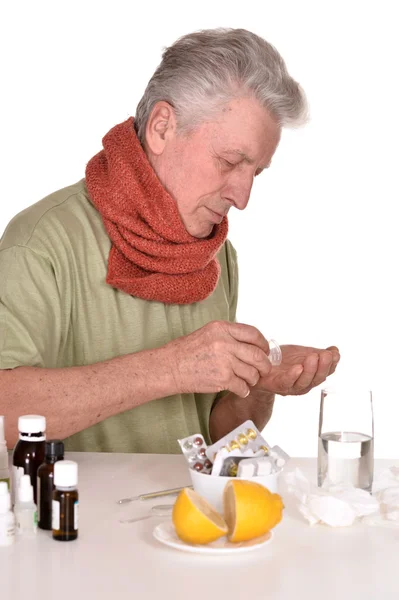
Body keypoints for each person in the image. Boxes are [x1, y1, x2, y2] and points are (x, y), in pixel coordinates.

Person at [0, 28, 340, 453]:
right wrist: (173, 367)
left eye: (256, 172)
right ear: (162, 127)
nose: (243, 196)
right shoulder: (41, 243)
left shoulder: (217, 255)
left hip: (189, 517)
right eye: (230, 161)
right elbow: (5, 414)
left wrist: (257, 385)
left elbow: (216, 438)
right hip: (76, 516)